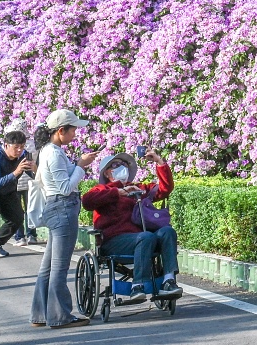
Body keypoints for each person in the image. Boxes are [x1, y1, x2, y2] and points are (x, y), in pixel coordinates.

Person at [82, 148, 183, 304]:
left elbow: (165, 189)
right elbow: (87, 201)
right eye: (115, 165)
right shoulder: (102, 190)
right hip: (115, 241)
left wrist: (159, 162)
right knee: (146, 237)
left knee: (167, 231)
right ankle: (138, 285)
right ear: (107, 173)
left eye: (123, 164)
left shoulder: (137, 188)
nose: (121, 167)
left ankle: (168, 281)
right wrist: (118, 192)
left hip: (143, 239)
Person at [30, 109, 100, 329]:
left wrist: (78, 164)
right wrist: (80, 166)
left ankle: (41, 314)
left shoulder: (47, 150)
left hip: (55, 208)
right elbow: (65, 187)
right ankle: (60, 316)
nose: (75, 134)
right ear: (61, 131)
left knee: (48, 266)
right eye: (73, 130)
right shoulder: (54, 153)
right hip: (63, 208)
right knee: (59, 267)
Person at [0, 129, 35, 259]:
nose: (19, 150)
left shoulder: (24, 155)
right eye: (16, 147)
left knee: (17, 217)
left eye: (22, 146)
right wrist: (16, 172)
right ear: (6, 145)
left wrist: (34, 168)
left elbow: (34, 175)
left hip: (9, 190)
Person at [4, 120, 39, 246]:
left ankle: (20, 237)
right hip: (30, 181)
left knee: (17, 211)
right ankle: (32, 235)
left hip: (16, 181)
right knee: (31, 208)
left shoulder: (13, 145)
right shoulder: (32, 144)